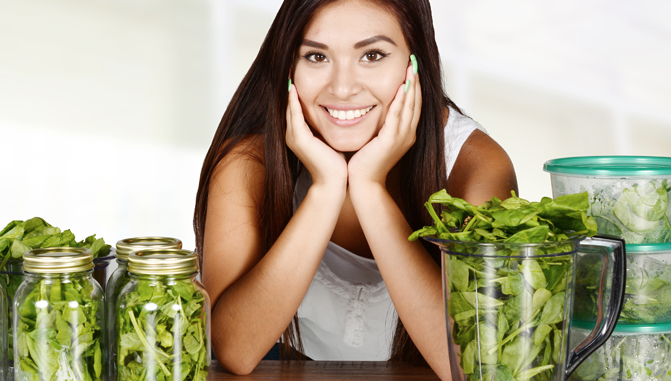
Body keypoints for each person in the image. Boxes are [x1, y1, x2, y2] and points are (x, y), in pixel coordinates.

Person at [193, 0, 518, 378]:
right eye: (316, 56)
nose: (343, 88)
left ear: (416, 61)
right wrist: (325, 189)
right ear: (288, 66)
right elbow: (234, 349)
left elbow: (472, 365)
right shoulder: (250, 161)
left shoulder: (474, 168)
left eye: (373, 55)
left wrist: (368, 186)